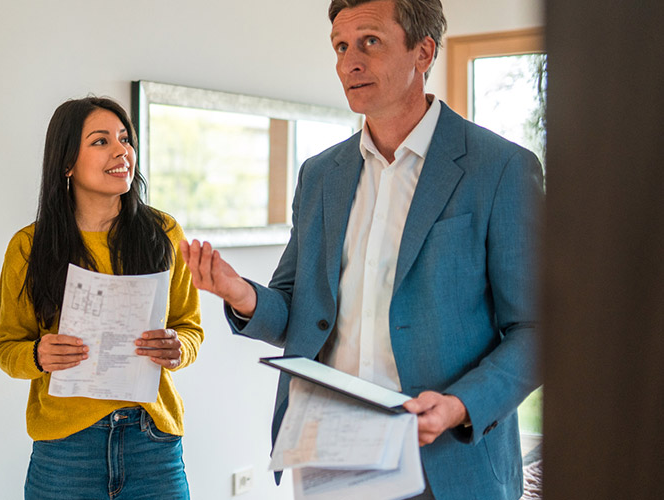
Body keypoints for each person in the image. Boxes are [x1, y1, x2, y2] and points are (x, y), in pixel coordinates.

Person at [180, 1, 542, 498]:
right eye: (341, 46)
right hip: (330, 455)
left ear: (423, 51)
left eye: (370, 41)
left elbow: (537, 331)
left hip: (448, 464)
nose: (349, 61)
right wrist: (239, 292)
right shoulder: (319, 175)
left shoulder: (500, 169)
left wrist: (460, 405)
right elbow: (295, 313)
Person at [0, 97, 204, 500]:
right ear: (67, 162)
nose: (121, 151)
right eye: (101, 141)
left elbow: (189, 328)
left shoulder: (164, 232)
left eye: (125, 139)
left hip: (153, 442)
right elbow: (5, 347)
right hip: (67, 450)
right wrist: (38, 355)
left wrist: (178, 349)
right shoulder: (29, 246)